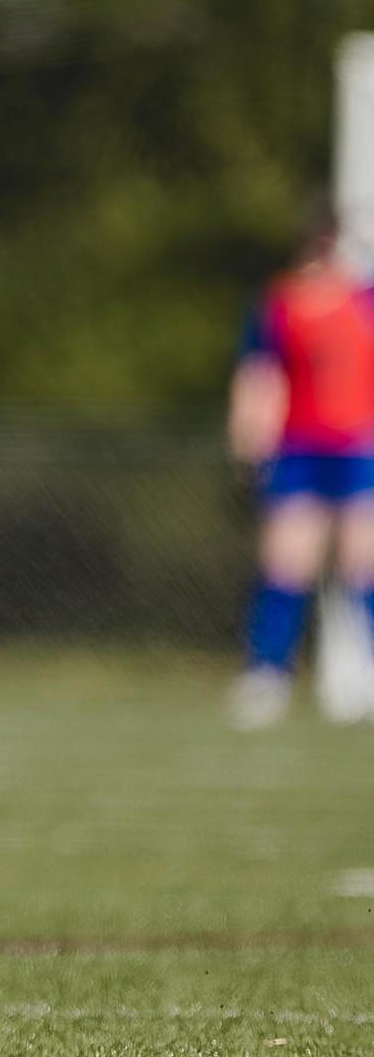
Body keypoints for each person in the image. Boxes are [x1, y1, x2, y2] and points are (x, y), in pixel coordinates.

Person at [226, 205, 374, 729]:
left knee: (364, 562)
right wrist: (249, 439)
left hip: (358, 445)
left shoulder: (364, 301)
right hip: (299, 446)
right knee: (288, 562)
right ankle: (267, 674)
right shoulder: (280, 304)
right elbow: (260, 374)